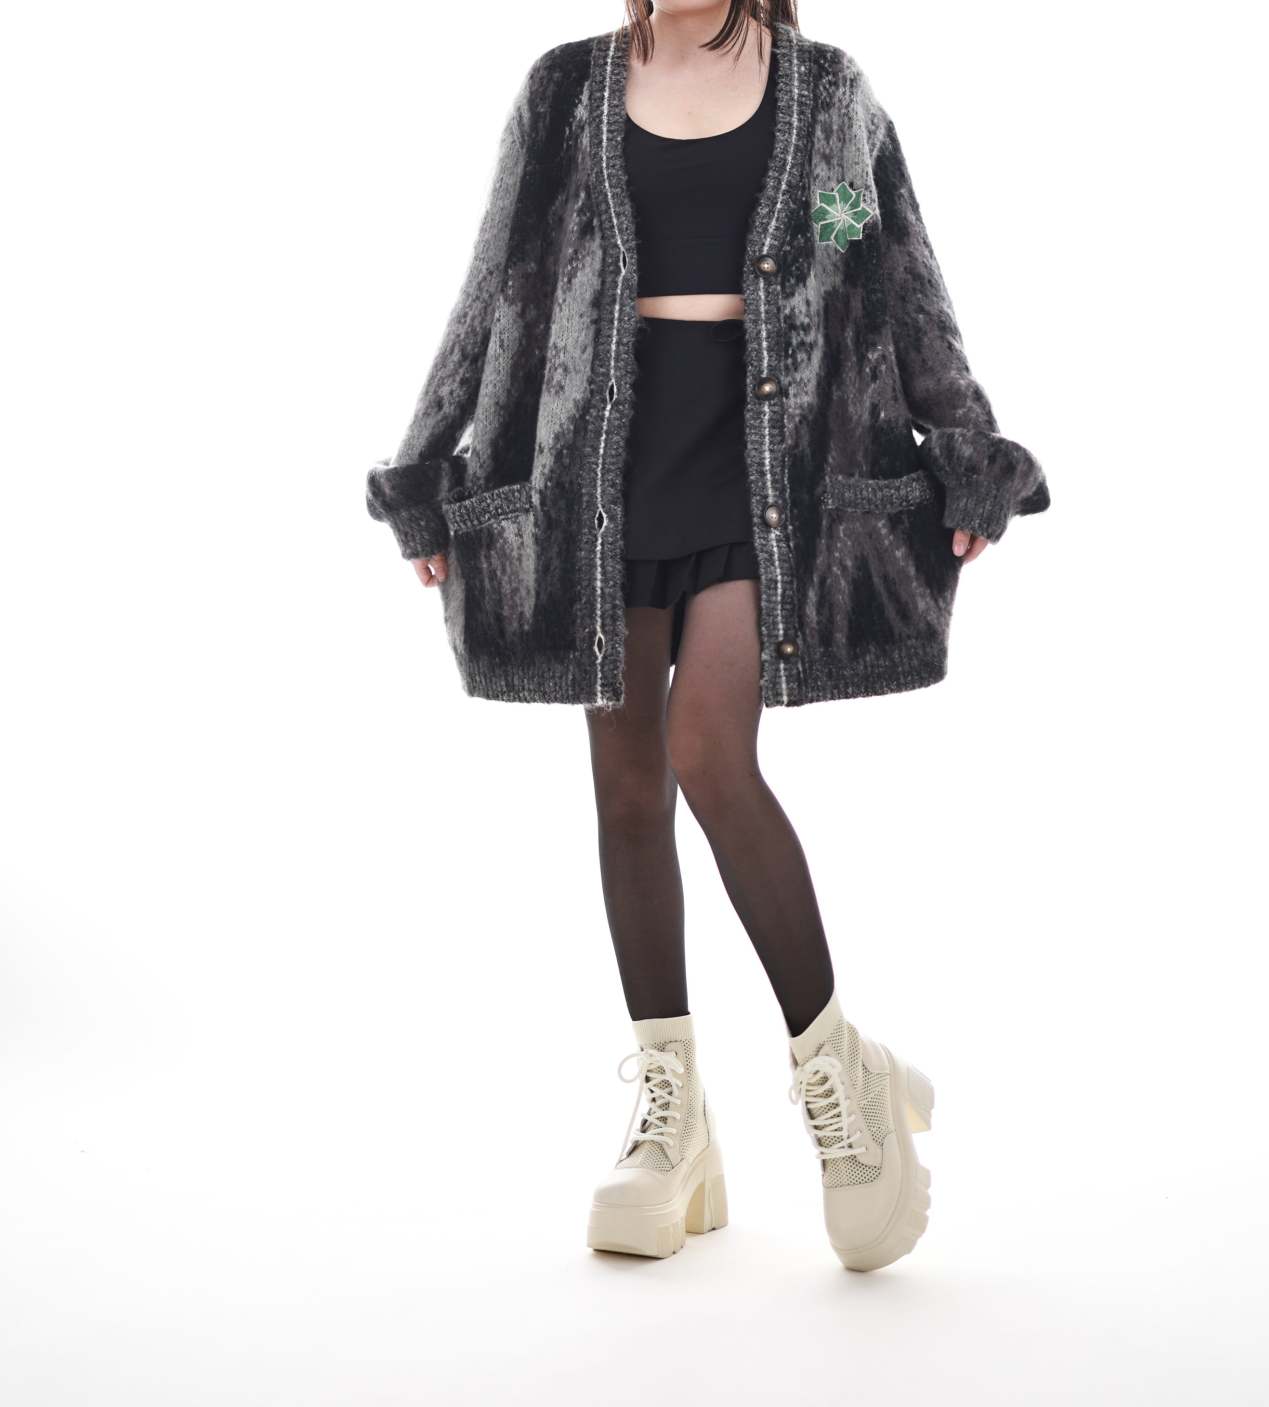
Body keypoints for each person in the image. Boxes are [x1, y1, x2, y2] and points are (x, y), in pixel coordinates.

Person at [365, 0, 1049, 1270]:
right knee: (626, 788)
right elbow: (491, 285)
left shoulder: (828, 91)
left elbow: (900, 281)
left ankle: (840, 1078)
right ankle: (671, 1116)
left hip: (771, 471)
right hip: (602, 474)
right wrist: (423, 466)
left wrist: (965, 448)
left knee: (705, 751)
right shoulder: (563, 89)